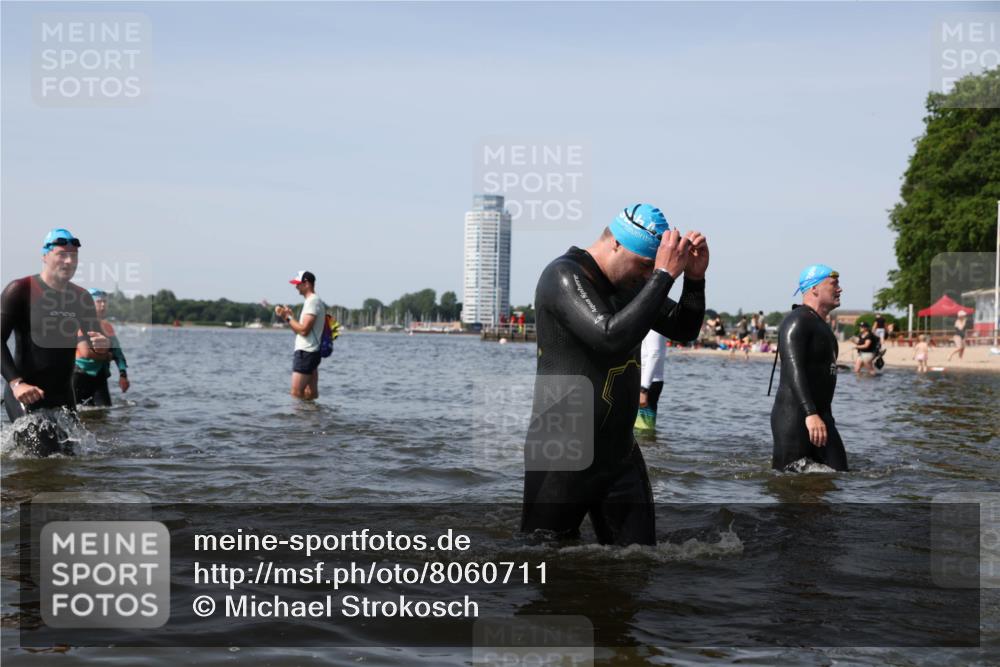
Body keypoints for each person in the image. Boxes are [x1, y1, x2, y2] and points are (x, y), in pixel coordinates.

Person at [521, 204, 708, 546]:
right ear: (617, 244)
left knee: (639, 562)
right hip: (563, 452)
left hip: (619, 453)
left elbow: (684, 328)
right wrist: (664, 277)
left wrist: (694, 280)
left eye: (653, 268)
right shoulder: (564, 276)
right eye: (644, 266)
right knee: (544, 561)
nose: (647, 274)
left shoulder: (632, 283)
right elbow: (609, 337)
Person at [1, 229, 108, 456]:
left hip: (63, 395)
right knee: (45, 455)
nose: (69, 261)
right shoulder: (20, 290)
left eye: (74, 255)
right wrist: (16, 383)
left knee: (72, 460)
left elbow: (96, 347)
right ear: (45, 256)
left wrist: (102, 346)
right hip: (26, 393)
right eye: (62, 254)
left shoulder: (81, 298)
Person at [771, 264, 847, 471]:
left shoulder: (822, 327)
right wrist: (810, 413)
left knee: (840, 475)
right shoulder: (796, 321)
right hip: (795, 418)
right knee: (789, 485)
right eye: (834, 284)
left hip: (821, 417)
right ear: (814, 289)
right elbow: (793, 370)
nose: (840, 289)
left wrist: (822, 416)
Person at [274, 271, 327, 400]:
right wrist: (290, 317)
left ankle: (298, 419)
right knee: (310, 393)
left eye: (298, 284)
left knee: (296, 393)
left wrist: (286, 317)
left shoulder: (312, 301)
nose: (296, 287)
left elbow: (304, 331)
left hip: (306, 352)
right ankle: (312, 419)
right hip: (311, 351)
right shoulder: (314, 301)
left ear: (307, 283)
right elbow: (301, 331)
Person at [73, 289, 129, 407]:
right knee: (78, 413)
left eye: (104, 302)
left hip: (100, 375)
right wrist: (107, 355)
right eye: (99, 302)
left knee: (104, 410)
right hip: (80, 374)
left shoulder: (107, 326)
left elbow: (117, 352)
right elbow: (86, 353)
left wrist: (123, 375)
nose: (103, 305)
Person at [634, 330, 667, 434]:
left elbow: (655, 353)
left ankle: (648, 449)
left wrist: (643, 389)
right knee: (637, 428)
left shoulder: (654, 325)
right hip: (644, 380)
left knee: (644, 429)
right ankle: (649, 448)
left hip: (648, 383)